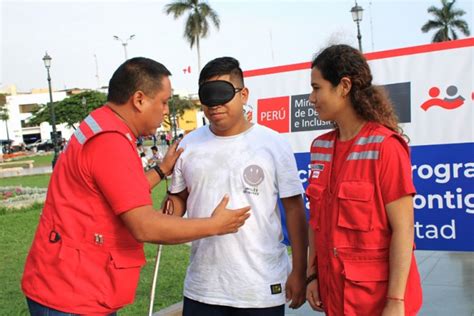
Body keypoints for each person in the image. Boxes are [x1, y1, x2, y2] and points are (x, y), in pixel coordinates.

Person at [21, 57, 251, 315]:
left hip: (68, 281)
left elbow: (119, 191)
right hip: (73, 294)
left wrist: (162, 169)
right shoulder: (110, 142)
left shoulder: (102, 124)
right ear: (139, 99)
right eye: (163, 102)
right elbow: (144, 226)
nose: (166, 111)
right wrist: (215, 225)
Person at [167, 57, 308, 316]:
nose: (215, 104)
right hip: (203, 287)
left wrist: (299, 270)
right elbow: (178, 200)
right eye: (207, 96)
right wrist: (168, 211)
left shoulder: (273, 143)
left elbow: (295, 210)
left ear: (243, 95)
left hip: (260, 288)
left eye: (223, 94)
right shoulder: (188, 146)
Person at [305, 44, 422, 316]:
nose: (311, 98)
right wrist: (313, 275)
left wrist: (395, 301)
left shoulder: (385, 146)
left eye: (317, 87)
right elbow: (316, 222)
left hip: (377, 302)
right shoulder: (319, 148)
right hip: (336, 299)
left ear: (344, 86)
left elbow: (404, 231)